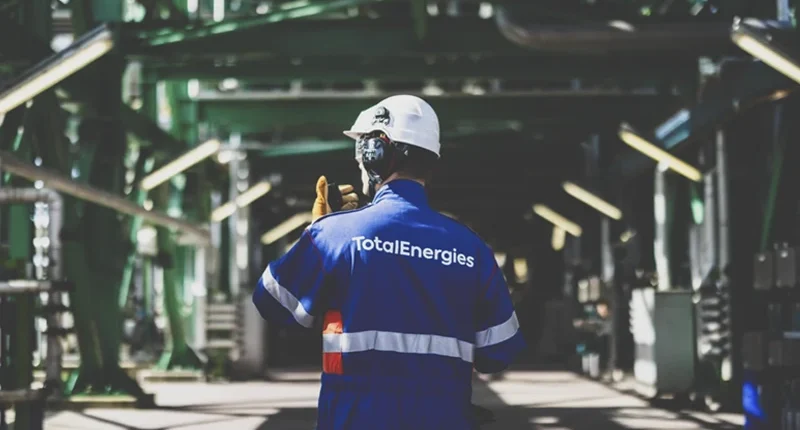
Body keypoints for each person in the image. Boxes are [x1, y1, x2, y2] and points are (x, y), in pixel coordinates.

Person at [252, 95, 525, 430]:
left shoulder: (334, 234)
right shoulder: (472, 249)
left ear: (374, 154)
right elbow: (499, 352)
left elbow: (271, 302)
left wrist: (315, 232)